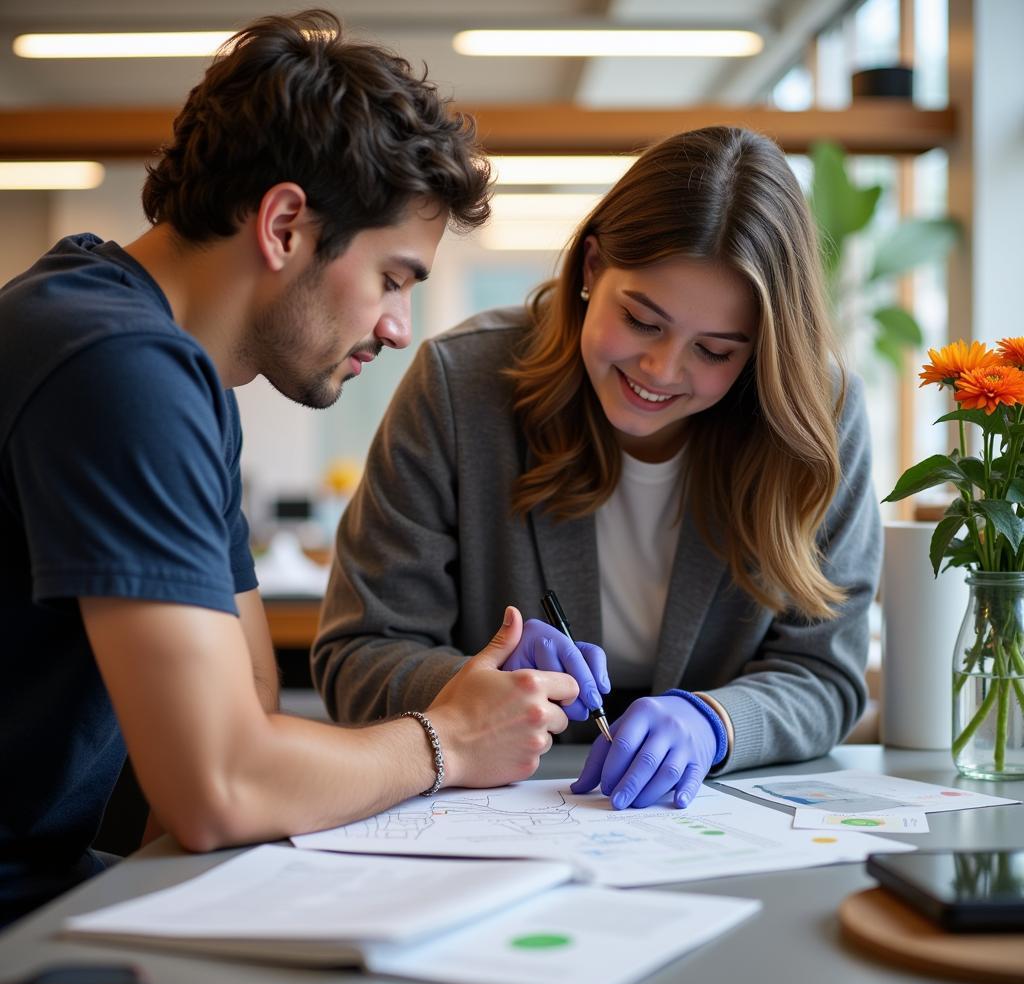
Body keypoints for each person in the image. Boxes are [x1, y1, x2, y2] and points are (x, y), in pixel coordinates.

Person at [0, 10, 581, 928]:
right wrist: (450, 740)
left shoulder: (168, 368)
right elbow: (221, 784)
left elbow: (251, 716)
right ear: (283, 225)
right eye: (391, 278)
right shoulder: (115, 364)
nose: (398, 328)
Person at [313, 125, 882, 812]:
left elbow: (825, 671)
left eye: (716, 351)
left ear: (760, 348)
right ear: (590, 271)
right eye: (642, 321)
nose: (661, 371)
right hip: (492, 816)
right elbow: (359, 652)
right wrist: (476, 679)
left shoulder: (817, 415)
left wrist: (716, 723)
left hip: (713, 821)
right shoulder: (460, 386)